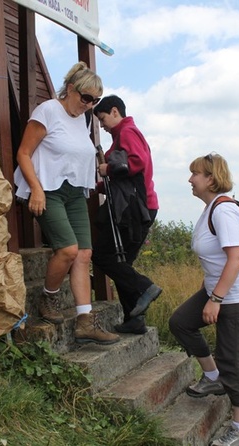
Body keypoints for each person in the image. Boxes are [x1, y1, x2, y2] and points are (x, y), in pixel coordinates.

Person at [13, 62, 118, 345]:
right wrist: (35, 189)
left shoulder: (82, 119)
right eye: (86, 98)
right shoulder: (48, 110)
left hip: (74, 192)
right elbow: (23, 153)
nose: (89, 105)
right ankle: (49, 298)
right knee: (68, 250)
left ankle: (85, 320)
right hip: (48, 190)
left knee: (84, 254)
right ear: (70, 89)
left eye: (95, 101)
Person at [169, 153, 239, 446]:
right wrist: (208, 288)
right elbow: (217, 258)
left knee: (232, 361)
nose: (190, 179)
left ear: (210, 178)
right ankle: (212, 377)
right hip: (218, 290)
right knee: (181, 322)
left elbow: (236, 259)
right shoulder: (210, 209)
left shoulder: (224, 211)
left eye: (195, 174)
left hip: (238, 296)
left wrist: (216, 298)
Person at [91, 95, 161, 334]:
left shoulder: (127, 131)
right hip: (141, 206)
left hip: (135, 208)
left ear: (114, 111)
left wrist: (106, 169)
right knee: (122, 263)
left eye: (102, 119)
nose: (102, 125)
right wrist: (98, 186)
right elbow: (126, 178)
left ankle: (145, 287)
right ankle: (135, 319)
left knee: (102, 255)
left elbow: (136, 163)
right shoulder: (122, 134)